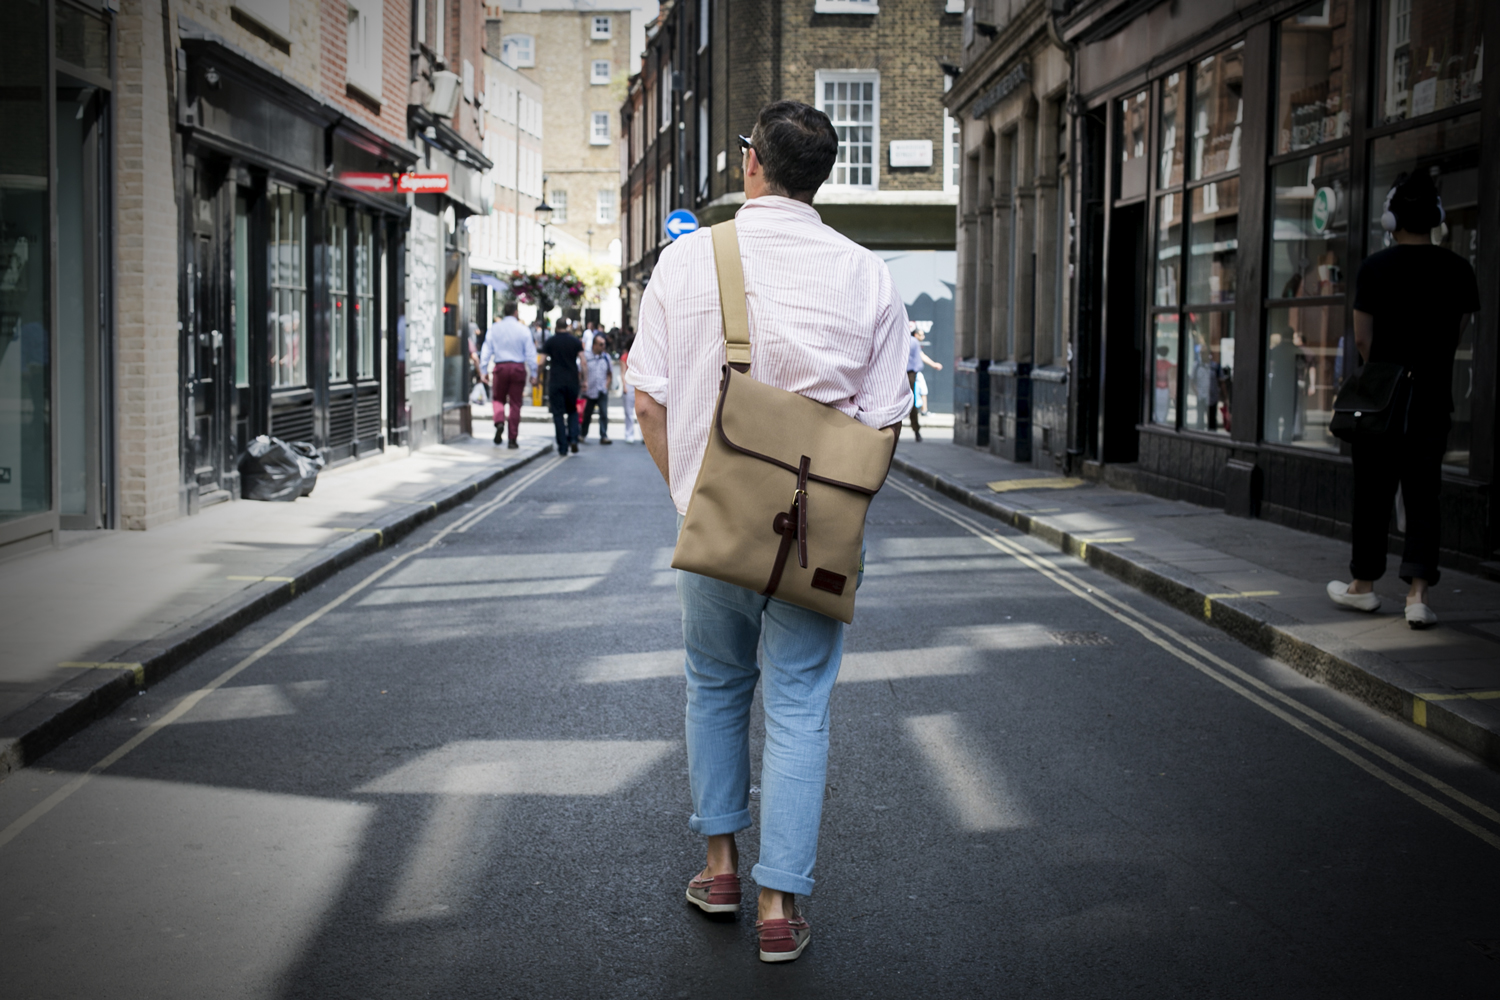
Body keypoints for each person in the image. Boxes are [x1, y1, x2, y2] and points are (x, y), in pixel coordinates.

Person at [628, 100, 911, 964]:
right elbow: (884, 422)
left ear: (752, 164)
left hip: (712, 523)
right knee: (798, 707)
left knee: (715, 685)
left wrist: (694, 496)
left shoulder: (685, 262)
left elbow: (647, 396)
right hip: (815, 534)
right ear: (820, 177)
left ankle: (719, 871)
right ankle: (780, 908)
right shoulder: (868, 274)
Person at [1327, 170, 1480, 629]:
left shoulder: (1374, 268)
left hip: (1381, 402)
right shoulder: (1458, 269)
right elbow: (1457, 333)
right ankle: (1418, 595)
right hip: (1432, 396)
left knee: (1373, 493)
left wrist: (1387, 372)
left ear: (1390, 218)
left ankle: (1364, 587)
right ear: (1436, 216)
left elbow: (1362, 339)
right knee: (1423, 494)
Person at [479, 302, 537, 449]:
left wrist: (483, 370)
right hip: (517, 368)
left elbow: (486, 350)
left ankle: (499, 422)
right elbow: (530, 353)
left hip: (501, 367)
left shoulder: (495, 328)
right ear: (516, 312)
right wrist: (534, 373)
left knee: (498, 399)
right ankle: (512, 439)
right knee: (515, 404)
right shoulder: (523, 329)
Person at [540, 319, 586, 456]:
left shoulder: (550, 341)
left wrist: (537, 377)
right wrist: (585, 380)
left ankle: (562, 447)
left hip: (556, 381)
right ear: (567, 327)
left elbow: (541, 362)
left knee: (558, 414)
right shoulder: (575, 341)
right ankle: (573, 439)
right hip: (572, 381)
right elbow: (583, 362)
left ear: (556, 326)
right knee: (572, 410)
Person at [580, 333, 614, 444]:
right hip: (589, 390)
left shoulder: (606, 357)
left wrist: (606, 385)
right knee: (587, 414)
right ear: (594, 345)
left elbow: (610, 374)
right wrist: (582, 383)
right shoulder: (586, 357)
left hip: (601, 390)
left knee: (603, 413)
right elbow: (580, 372)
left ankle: (603, 435)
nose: (603, 346)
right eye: (601, 344)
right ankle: (582, 434)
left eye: (604, 344)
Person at [619, 331, 639, 443]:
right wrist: (625, 386)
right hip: (630, 384)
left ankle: (642, 436)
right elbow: (623, 372)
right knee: (628, 413)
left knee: (641, 412)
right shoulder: (625, 357)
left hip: (638, 384)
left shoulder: (640, 356)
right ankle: (629, 434)